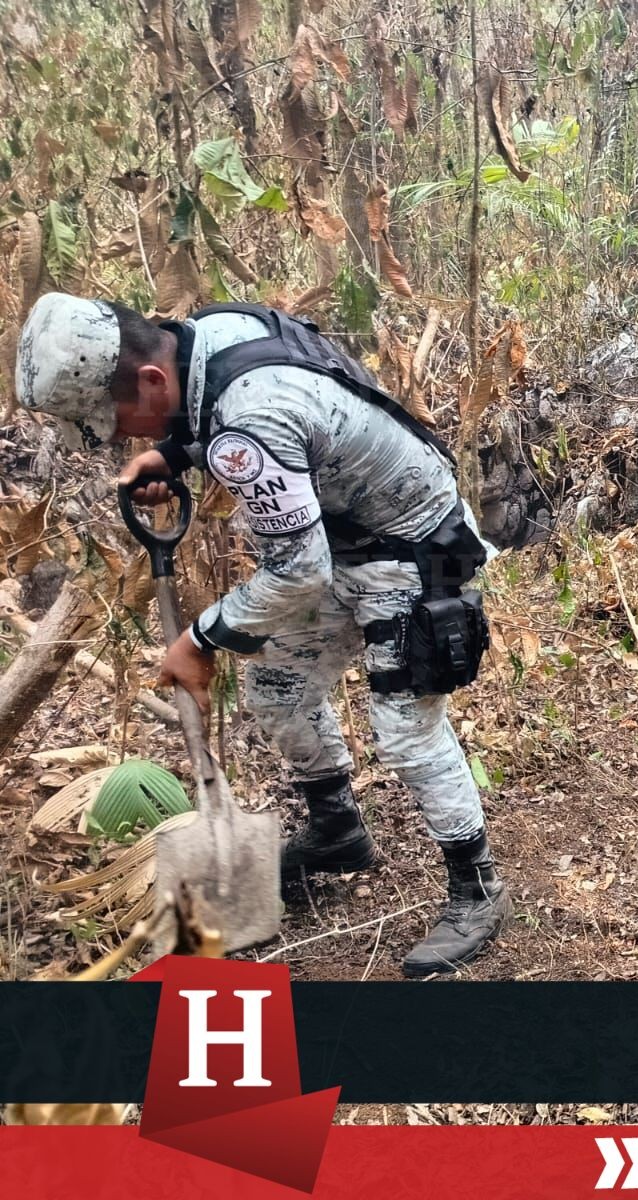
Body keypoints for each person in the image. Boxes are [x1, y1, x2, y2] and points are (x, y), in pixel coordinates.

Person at [16, 293, 507, 976]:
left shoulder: (251, 420)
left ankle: (477, 891)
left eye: (119, 421)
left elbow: (295, 571)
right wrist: (173, 455)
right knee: (277, 691)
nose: (121, 439)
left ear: (152, 380)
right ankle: (338, 832)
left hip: (415, 551)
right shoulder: (207, 337)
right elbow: (235, 427)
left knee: (405, 730)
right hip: (338, 537)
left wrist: (201, 638)